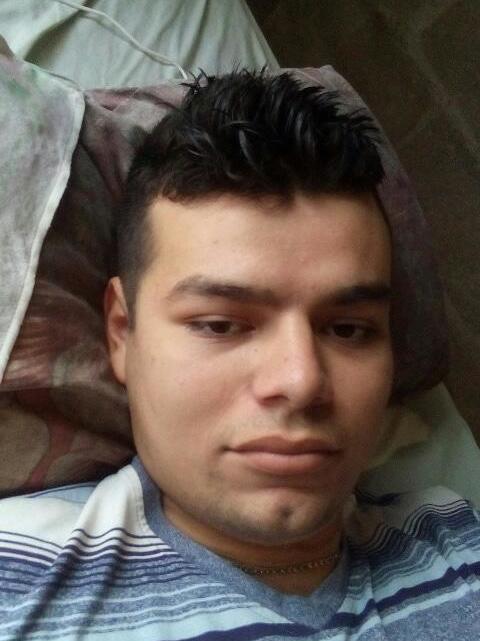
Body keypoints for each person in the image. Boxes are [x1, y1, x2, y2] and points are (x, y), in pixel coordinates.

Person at [0, 70, 478, 640]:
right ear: (123, 332)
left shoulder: (457, 539)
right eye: (220, 324)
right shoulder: (18, 584)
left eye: (349, 330)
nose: (301, 381)